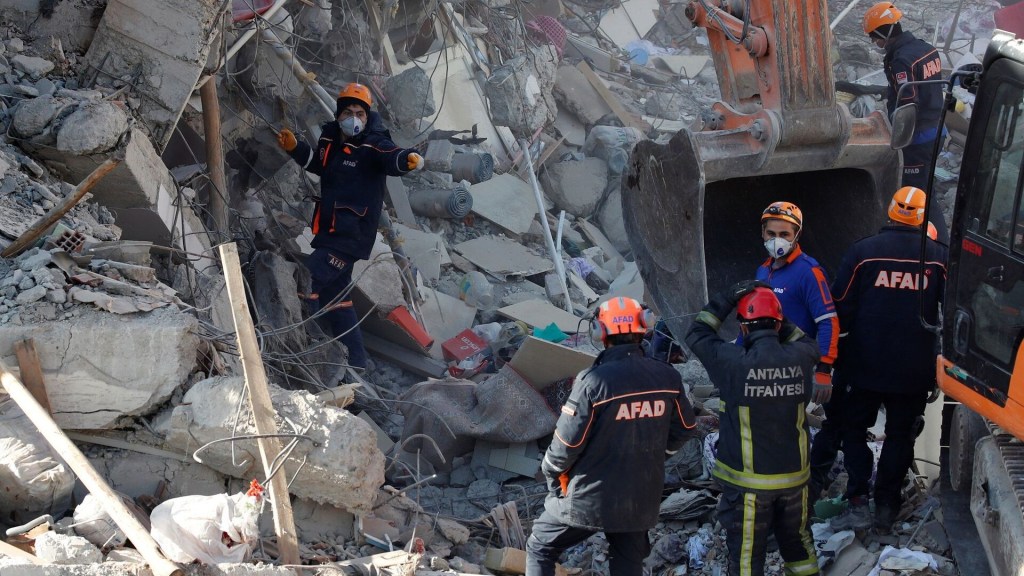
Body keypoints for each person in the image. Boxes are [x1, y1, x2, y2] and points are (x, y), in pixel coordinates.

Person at [526, 297, 697, 576]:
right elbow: (686, 429)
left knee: (540, 547)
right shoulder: (667, 377)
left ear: (600, 332)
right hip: (640, 495)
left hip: (589, 497)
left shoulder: (593, 381)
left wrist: (550, 473)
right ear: (645, 327)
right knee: (627, 563)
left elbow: (566, 445)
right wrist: (659, 455)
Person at [276, 82, 423, 372]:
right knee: (336, 297)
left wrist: (406, 160)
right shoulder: (331, 139)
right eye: (348, 112)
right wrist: (296, 148)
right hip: (329, 230)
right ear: (339, 114)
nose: (354, 118)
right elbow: (318, 165)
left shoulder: (374, 143)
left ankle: (301, 349)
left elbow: (391, 158)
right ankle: (358, 362)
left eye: (360, 113)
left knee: (309, 281)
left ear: (367, 117)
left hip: (351, 236)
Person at [828, 186, 947, 531]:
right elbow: (951, 312)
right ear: (923, 217)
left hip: (863, 365)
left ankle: (857, 499)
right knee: (900, 435)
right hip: (913, 370)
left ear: (890, 211)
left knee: (852, 429)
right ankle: (886, 507)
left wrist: (832, 359)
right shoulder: (938, 257)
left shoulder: (863, 252)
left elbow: (839, 308)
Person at [685, 282, 823, 576]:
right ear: (777, 324)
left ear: (743, 328)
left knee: (747, 557)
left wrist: (728, 296)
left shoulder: (731, 361)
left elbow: (697, 333)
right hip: (795, 481)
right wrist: (775, 315)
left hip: (749, 487)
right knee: (799, 547)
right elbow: (806, 340)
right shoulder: (802, 355)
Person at [755, 201, 840, 498]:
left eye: (784, 233)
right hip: (766, 364)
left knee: (789, 432)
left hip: (797, 366)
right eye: (771, 232)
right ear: (763, 234)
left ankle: (799, 491)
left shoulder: (808, 272)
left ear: (797, 235)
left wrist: (825, 368)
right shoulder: (763, 271)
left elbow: (828, 322)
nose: (777, 239)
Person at [864, 1, 949, 244]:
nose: (874, 42)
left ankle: (936, 247)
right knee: (926, 189)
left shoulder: (900, 60)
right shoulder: (926, 49)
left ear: (885, 31)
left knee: (918, 196)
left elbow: (907, 104)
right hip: (937, 130)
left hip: (919, 137)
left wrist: (898, 137)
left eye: (874, 37)